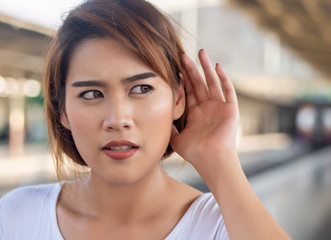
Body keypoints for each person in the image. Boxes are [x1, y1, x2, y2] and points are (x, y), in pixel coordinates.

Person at [0, 0, 290, 239]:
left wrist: (220, 159)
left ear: (178, 99)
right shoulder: (16, 217)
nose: (118, 119)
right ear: (62, 110)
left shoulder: (223, 226)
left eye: (141, 89)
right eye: (91, 94)